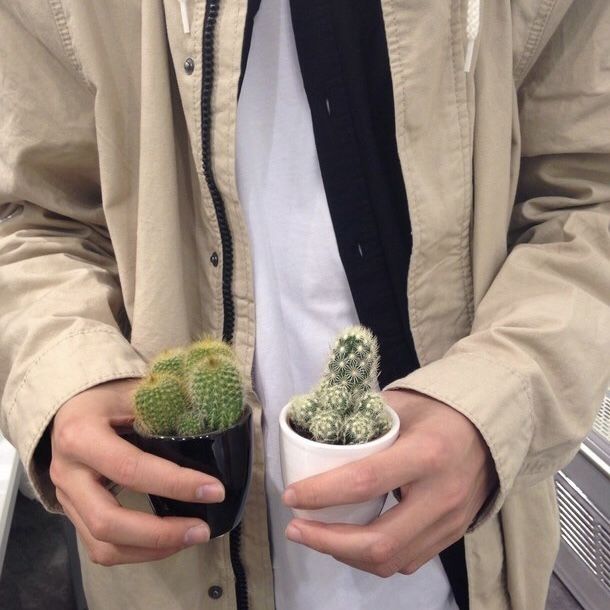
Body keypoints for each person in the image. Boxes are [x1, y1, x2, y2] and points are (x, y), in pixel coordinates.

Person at [0, 1, 608, 609]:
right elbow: (30, 215)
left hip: (462, 558)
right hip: (168, 559)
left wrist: (500, 401)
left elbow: (588, 199)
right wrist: (67, 373)